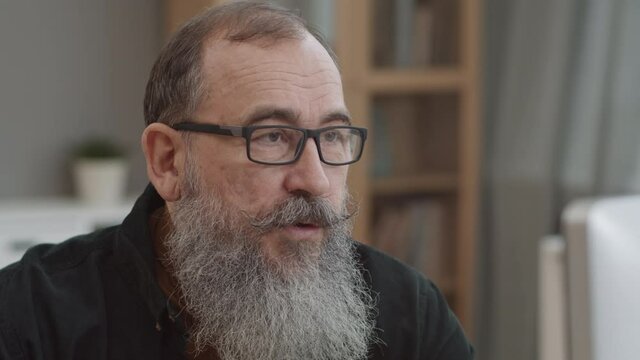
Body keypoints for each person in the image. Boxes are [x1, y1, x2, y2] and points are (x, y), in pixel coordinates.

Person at [0, 2, 474, 359]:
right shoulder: (28, 321)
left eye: (332, 137)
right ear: (168, 161)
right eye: (270, 137)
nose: (314, 178)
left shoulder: (410, 314)